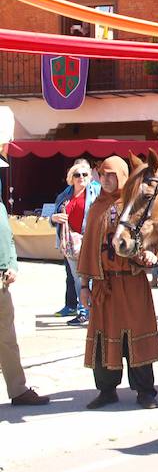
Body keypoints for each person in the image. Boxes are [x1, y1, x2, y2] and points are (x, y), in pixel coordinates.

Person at [77, 156, 158, 409]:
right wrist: (84, 286)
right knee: (104, 338)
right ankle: (106, 390)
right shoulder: (96, 209)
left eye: (111, 175)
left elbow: (151, 235)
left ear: (123, 177)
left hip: (133, 283)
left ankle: (145, 392)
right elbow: (88, 249)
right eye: (102, 174)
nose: (105, 179)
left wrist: (150, 253)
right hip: (105, 287)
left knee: (138, 337)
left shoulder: (134, 206)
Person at [1, 173, 51, 407]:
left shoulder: (0, 206)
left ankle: (18, 390)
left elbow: (8, 239)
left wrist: (11, 264)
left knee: (7, 340)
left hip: (2, 282)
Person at [51, 159, 101, 325]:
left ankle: (93, 311)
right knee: (78, 278)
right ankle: (84, 310)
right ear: (71, 178)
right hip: (72, 243)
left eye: (84, 174)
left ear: (90, 177)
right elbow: (52, 217)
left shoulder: (96, 192)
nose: (81, 178)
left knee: (91, 277)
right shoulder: (64, 195)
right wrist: (54, 217)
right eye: (77, 175)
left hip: (91, 241)